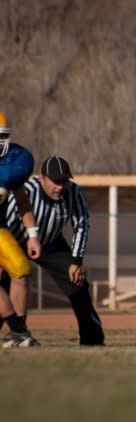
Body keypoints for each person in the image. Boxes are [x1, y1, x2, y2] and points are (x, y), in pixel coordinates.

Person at [0, 155, 104, 345]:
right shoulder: (26, 190)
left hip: (50, 244)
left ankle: (92, 339)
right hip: (15, 241)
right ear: (41, 178)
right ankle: (18, 334)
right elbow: (5, 221)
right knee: (4, 285)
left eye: (64, 181)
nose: (60, 186)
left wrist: (76, 261)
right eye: (56, 181)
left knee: (78, 284)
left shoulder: (73, 192)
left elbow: (81, 225)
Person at [0, 112, 42, 347]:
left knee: (21, 269)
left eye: (3, 136)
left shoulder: (14, 161)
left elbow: (22, 200)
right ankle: (19, 332)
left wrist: (33, 235)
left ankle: (18, 333)